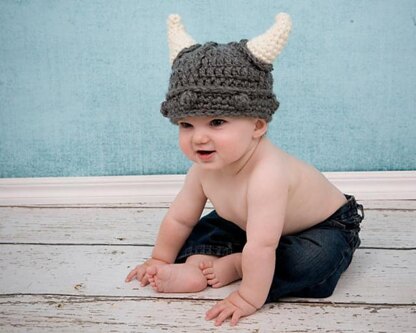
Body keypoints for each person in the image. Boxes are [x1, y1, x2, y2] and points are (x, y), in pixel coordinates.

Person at [125, 13, 364, 326]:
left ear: (258, 125)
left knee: (313, 261)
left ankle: (237, 267)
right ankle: (199, 265)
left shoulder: (268, 174)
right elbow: (180, 217)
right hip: (251, 224)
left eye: (217, 122)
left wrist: (249, 296)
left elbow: (263, 244)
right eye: (186, 124)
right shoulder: (203, 169)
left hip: (322, 226)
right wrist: (160, 257)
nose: (198, 137)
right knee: (207, 226)